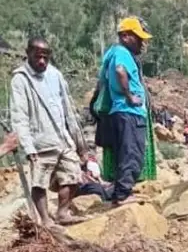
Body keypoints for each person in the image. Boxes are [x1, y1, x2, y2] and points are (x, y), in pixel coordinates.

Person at [10, 37, 88, 227]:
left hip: (61, 137)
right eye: (38, 57)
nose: (42, 61)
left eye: (45, 57)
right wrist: (28, 147)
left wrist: (80, 145)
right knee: (39, 182)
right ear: (28, 54)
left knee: (73, 175)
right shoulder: (20, 79)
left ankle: (62, 212)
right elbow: (19, 117)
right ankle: (45, 220)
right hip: (40, 141)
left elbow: (68, 110)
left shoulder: (55, 75)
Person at [93, 17, 153, 206]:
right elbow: (120, 71)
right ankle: (122, 195)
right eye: (138, 38)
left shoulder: (112, 53)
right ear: (126, 36)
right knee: (132, 153)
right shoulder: (122, 52)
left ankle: (121, 191)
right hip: (129, 111)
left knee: (124, 153)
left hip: (120, 112)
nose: (142, 43)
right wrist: (129, 96)